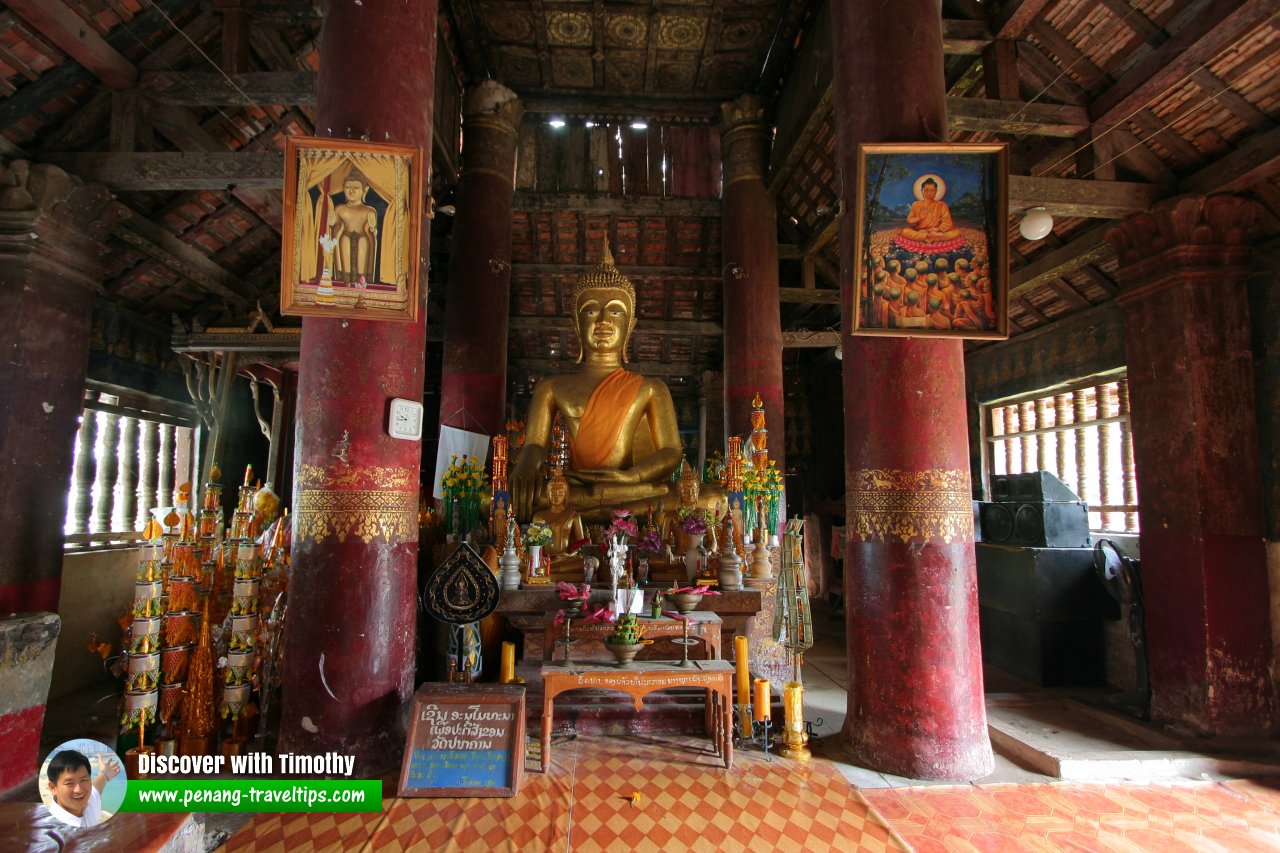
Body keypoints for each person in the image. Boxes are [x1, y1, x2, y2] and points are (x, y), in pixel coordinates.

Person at [511, 238, 691, 521]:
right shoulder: (552, 387)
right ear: (577, 325)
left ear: (629, 326)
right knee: (509, 499)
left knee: (704, 497)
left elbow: (671, 452)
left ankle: (603, 506)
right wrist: (526, 466)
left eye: (616, 310)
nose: (604, 320)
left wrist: (631, 477)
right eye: (592, 310)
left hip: (629, 487)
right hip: (574, 489)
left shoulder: (652, 388)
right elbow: (535, 445)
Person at [328, 169, 378, 285]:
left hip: (362, 238)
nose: (351, 191)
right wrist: (331, 225)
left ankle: (361, 284)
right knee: (344, 240)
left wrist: (372, 229)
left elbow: (373, 233)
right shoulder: (340, 209)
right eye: (348, 187)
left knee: (363, 242)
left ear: (365, 190)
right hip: (345, 237)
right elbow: (336, 229)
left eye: (356, 188)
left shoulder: (369, 211)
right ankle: (346, 283)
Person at [45, 749, 119, 828]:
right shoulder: (52, 827)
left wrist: (105, 774)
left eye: (83, 780)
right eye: (69, 783)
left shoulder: (89, 801)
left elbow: (96, 786)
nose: (79, 790)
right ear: (53, 788)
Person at [900, 177, 961, 243]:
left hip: (936, 230)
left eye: (932, 190)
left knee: (956, 232)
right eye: (926, 190)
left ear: (936, 191)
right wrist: (919, 217)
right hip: (921, 230)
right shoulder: (916, 204)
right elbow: (909, 220)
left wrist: (937, 230)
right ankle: (932, 237)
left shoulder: (941, 205)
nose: (929, 193)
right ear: (921, 190)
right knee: (905, 231)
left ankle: (927, 237)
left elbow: (948, 223)